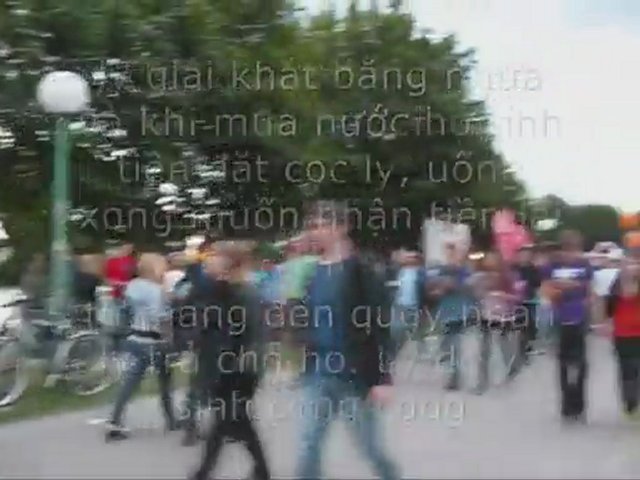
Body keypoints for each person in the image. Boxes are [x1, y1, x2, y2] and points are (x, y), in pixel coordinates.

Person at [295, 200, 399, 480]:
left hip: (354, 376)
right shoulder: (314, 272)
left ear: (342, 227)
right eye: (312, 226)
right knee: (308, 443)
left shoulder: (362, 270)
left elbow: (380, 326)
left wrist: (382, 378)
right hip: (318, 373)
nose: (315, 232)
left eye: (323, 225)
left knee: (371, 448)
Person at [189, 241, 270, 480]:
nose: (209, 259)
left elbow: (253, 335)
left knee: (226, 420)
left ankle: (204, 472)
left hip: (241, 368)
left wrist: (241, 365)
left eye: (215, 256)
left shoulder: (246, 292)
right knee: (235, 420)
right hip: (223, 366)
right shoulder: (221, 289)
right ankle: (261, 470)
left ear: (229, 261)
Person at [105, 253, 178, 441]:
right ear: (154, 268)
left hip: (135, 338)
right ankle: (171, 419)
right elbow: (160, 317)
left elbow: (126, 310)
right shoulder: (156, 290)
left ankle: (115, 420)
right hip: (155, 341)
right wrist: (170, 337)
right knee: (165, 382)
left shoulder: (133, 285)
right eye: (162, 266)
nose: (165, 269)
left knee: (130, 383)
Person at [541, 230, 593, 423]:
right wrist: (567, 286)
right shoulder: (552, 265)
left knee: (580, 363)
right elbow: (547, 288)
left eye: (575, 249)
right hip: (560, 318)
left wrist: (565, 285)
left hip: (580, 317)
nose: (572, 253)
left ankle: (579, 405)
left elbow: (589, 291)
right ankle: (567, 405)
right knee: (563, 363)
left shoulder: (584, 265)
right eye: (569, 249)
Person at [472, 250, 522, 394]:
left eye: (492, 259)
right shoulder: (482, 277)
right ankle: (482, 383)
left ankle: (512, 368)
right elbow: (475, 294)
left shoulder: (508, 277)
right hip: (486, 315)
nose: (489, 262)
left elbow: (518, 297)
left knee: (505, 347)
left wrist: (503, 295)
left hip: (504, 316)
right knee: (484, 350)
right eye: (487, 259)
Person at [429, 244, 476, 391]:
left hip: (459, 312)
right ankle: (452, 373)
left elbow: (470, 288)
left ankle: (455, 377)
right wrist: (437, 290)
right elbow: (432, 287)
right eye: (448, 254)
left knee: (454, 344)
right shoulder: (442, 270)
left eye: (453, 254)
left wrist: (452, 285)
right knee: (446, 344)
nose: (450, 257)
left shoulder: (463, 271)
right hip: (445, 312)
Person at [606, 231, 640, 418]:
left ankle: (632, 401)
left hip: (629, 332)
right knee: (628, 369)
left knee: (631, 369)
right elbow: (615, 301)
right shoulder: (618, 281)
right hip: (624, 332)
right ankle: (631, 402)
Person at [389, 250, 426, 362]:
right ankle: (394, 353)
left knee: (419, 330)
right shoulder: (399, 271)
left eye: (413, 258)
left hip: (415, 306)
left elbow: (423, 289)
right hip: (400, 306)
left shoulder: (420, 272)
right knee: (397, 331)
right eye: (408, 257)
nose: (410, 260)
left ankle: (421, 353)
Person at [514, 245, 542, 361]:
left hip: (529, 300)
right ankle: (520, 346)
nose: (524, 257)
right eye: (522, 254)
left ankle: (528, 345)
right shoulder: (513, 268)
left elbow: (537, 283)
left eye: (527, 255)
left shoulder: (533, 269)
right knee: (519, 323)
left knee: (530, 322)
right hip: (516, 301)